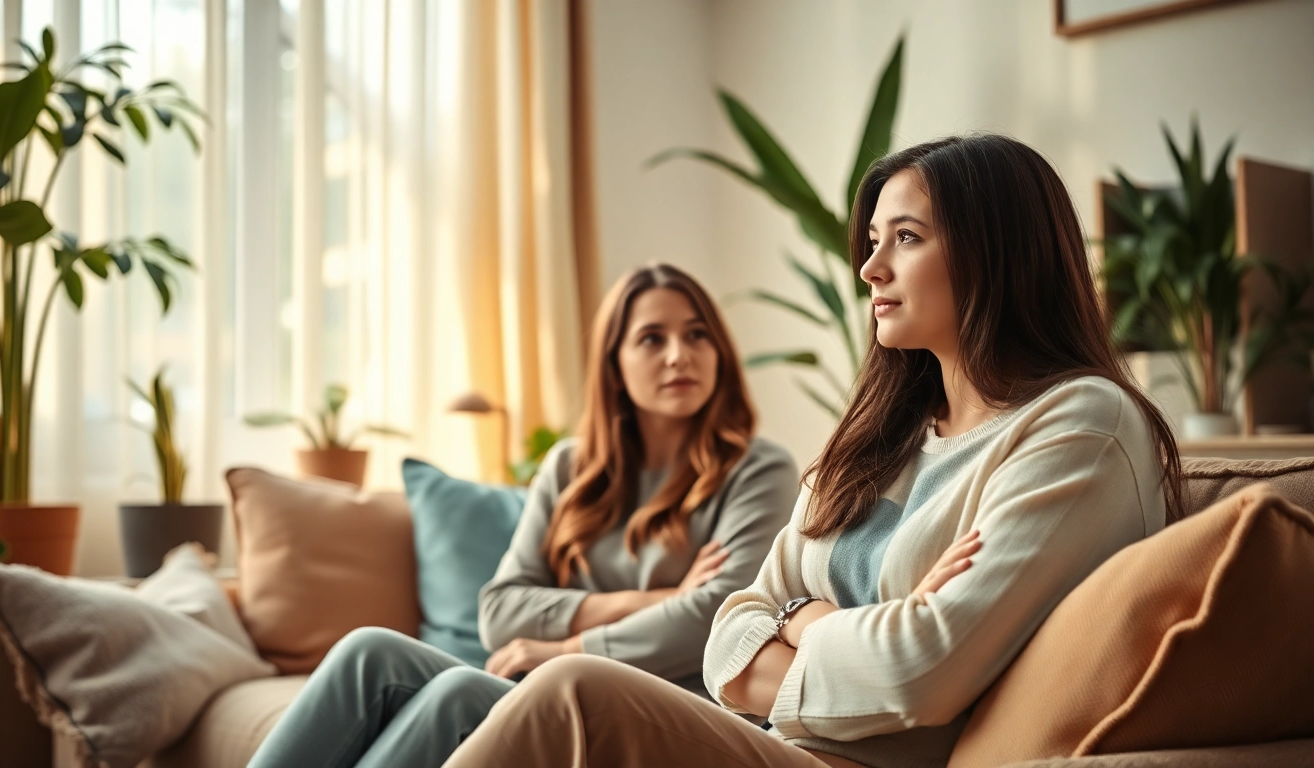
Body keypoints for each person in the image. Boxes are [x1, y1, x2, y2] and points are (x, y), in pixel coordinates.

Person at [439, 134, 1183, 768]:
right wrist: (814, 616)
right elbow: (728, 637)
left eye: (907, 237)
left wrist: (805, 624)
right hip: (780, 742)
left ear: (998, 253)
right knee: (401, 664)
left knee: (573, 691)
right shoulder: (881, 437)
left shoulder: (1080, 425)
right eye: (872, 243)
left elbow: (922, 672)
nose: (871, 269)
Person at [247, 263, 800, 768]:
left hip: (667, 706)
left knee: (460, 693)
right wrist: (649, 600)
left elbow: (716, 620)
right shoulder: (571, 467)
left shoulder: (756, 468)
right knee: (369, 651)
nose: (679, 354)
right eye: (652, 339)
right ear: (614, 363)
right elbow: (500, 610)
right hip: (557, 692)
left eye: (696, 334)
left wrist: (565, 648)